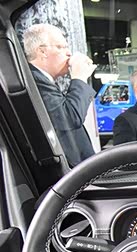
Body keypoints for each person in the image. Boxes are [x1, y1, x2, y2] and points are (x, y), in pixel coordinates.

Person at [23, 23, 96, 167]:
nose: (69, 53)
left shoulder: (42, 80)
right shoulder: (35, 81)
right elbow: (69, 117)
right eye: (61, 47)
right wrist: (79, 77)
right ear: (42, 51)